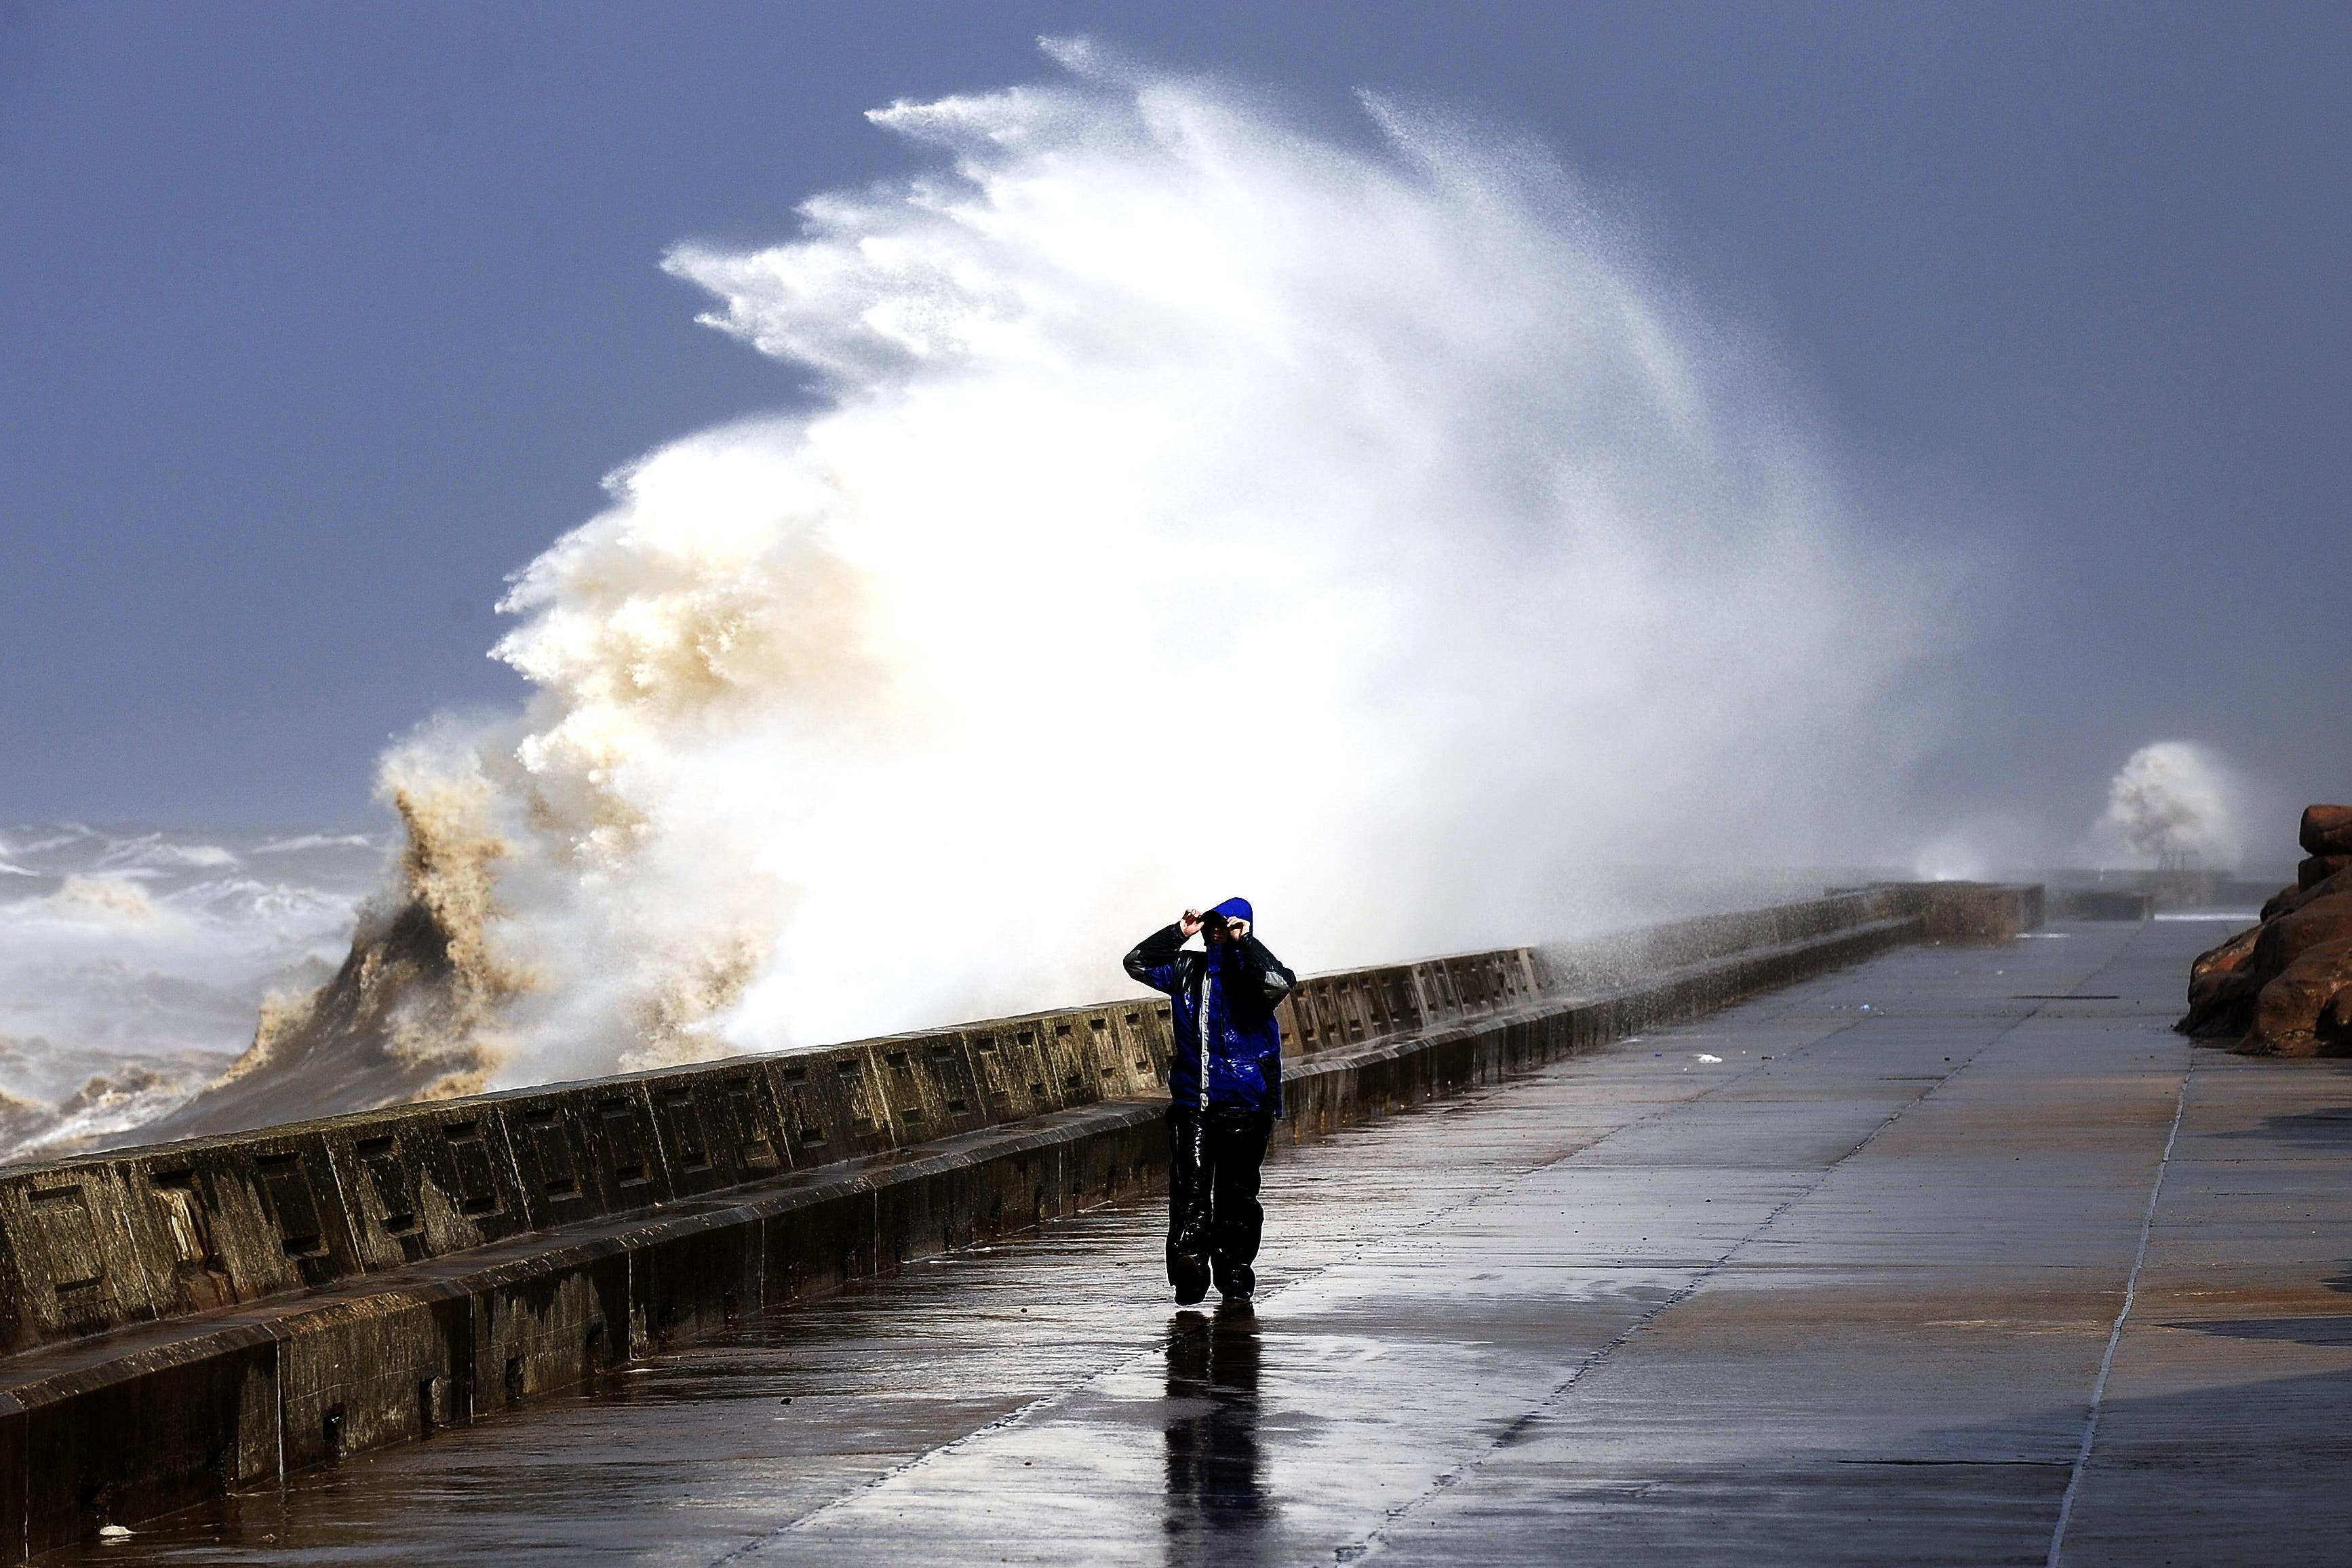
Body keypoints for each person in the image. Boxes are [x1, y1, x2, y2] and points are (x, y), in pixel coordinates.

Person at [1124, 899, 1297, 1307]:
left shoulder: (1254, 974)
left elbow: (1277, 984)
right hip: (1192, 1103)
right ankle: (1189, 1268)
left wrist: (1246, 942)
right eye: (1212, 924)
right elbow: (1137, 963)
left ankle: (1235, 1275)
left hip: (1245, 1104)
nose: (1216, 930)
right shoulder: (1187, 970)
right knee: (1190, 1190)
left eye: (1226, 924)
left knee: (1237, 1195)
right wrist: (1178, 933)